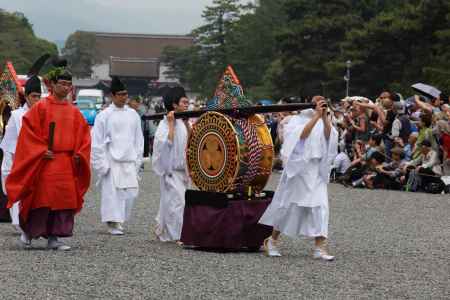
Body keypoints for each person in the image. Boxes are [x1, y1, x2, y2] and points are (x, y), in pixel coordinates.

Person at [5, 68, 91, 250]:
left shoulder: (74, 111)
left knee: (63, 202)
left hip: (66, 161)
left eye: (69, 84)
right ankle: (29, 232)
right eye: (62, 83)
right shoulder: (41, 108)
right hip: (46, 162)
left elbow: (84, 136)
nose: (66, 87)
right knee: (41, 199)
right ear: (52, 85)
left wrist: (78, 154)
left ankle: (54, 237)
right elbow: (28, 135)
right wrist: (40, 150)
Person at [259, 95, 338, 259]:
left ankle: (319, 248)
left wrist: (323, 118)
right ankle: (272, 240)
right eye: (317, 101)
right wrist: (316, 116)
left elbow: (330, 137)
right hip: (299, 169)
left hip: (316, 170)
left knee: (320, 207)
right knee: (287, 206)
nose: (320, 104)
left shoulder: (326, 119)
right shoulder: (294, 120)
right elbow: (299, 137)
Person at [91, 77, 144, 235]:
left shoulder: (133, 115)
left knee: (128, 194)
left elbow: (138, 139)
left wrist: (138, 160)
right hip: (111, 160)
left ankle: (120, 221)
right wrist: (101, 164)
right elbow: (97, 141)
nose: (124, 97)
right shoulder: (104, 115)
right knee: (112, 194)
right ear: (112, 96)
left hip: (129, 160)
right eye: (120, 94)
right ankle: (112, 223)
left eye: (125, 94)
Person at [0, 76, 41, 234]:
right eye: (33, 96)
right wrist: (8, 168)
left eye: (39, 96)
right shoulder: (17, 116)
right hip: (20, 161)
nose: (36, 100)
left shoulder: (44, 114)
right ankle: (20, 224)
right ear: (27, 97)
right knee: (19, 192)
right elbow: (9, 143)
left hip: (38, 161)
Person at [152, 86, 190, 242]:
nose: (187, 105)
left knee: (180, 202)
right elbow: (164, 145)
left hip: (183, 171)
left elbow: (191, 141)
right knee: (176, 202)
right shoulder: (165, 124)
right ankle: (176, 235)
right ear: (174, 105)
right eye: (184, 102)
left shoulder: (182, 122)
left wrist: (186, 124)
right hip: (171, 170)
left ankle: (170, 232)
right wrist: (171, 125)